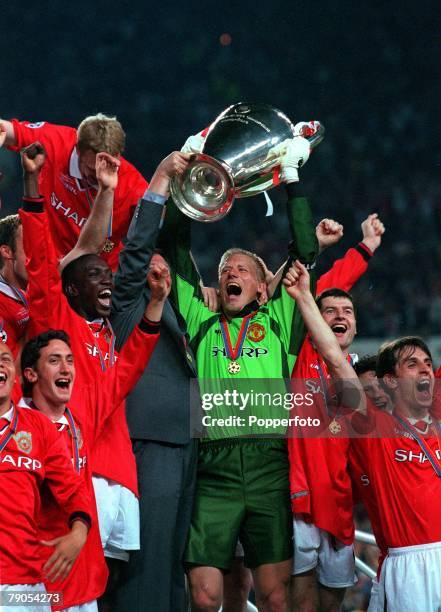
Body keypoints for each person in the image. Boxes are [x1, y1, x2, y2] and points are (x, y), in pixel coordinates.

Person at [160, 134, 318, 611]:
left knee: (272, 596)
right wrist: (188, 179)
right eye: (226, 266)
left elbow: (305, 251)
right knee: (206, 597)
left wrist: (291, 182)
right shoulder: (202, 318)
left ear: (262, 288)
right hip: (212, 467)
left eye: (244, 268)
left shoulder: (278, 320)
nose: (231, 271)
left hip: (270, 464)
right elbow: (173, 244)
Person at [19, 269, 165, 610]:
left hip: (79, 585)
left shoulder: (84, 411)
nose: (67, 369)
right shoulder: (15, 425)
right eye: (54, 361)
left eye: (69, 360)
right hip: (27, 579)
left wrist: (156, 304)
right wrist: (37, 211)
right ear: (31, 374)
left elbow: (128, 366)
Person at [109, 150, 198, 612]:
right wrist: (161, 178)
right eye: (151, 260)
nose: (159, 266)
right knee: (149, 566)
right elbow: (140, 246)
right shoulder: (125, 305)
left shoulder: (176, 311)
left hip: (185, 444)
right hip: (150, 442)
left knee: (172, 567)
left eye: (165, 261)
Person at [288, 214, 385, 612]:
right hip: (298, 495)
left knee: (332, 602)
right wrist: (364, 250)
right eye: (331, 312)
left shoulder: (366, 377)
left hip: (343, 500)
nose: (340, 316)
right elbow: (320, 289)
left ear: (357, 328)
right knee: (299, 602)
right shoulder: (304, 352)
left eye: (348, 312)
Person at [0, 343, 92, 612]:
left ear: (16, 375)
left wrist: (79, 531)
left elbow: (74, 489)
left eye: (5, 359)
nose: (0, 365)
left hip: (27, 583)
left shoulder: (37, 426)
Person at [0, 114, 147, 270]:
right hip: (43, 265)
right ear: (77, 149)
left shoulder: (134, 186)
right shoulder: (55, 141)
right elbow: (5, 129)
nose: (99, 175)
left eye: (110, 165)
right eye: (91, 169)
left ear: (118, 155)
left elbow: (158, 231)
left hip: (98, 275)